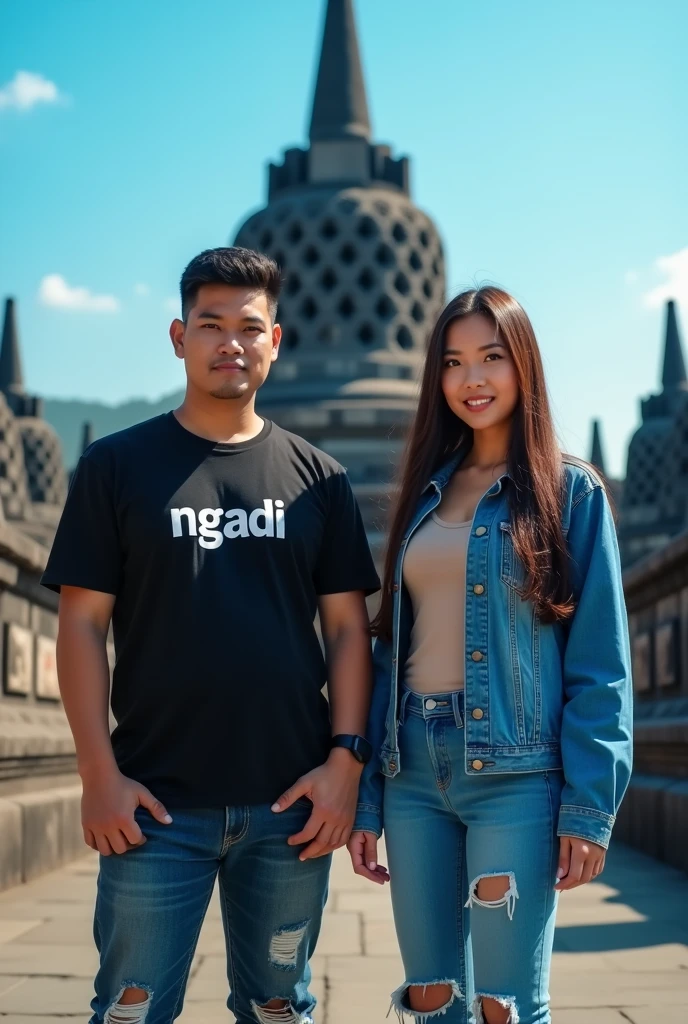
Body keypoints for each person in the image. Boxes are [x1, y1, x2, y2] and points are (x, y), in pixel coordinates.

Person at [42, 247, 380, 1024]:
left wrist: (345, 764)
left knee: (279, 1009)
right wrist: (98, 773)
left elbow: (348, 633)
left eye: (249, 327)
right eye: (210, 324)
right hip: (152, 803)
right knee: (130, 1008)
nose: (231, 342)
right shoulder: (115, 467)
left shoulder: (319, 480)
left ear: (276, 341)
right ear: (177, 336)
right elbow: (83, 625)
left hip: (291, 806)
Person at [347, 287, 633, 1024]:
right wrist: (369, 798)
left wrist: (589, 809)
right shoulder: (424, 497)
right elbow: (389, 652)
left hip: (516, 775)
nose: (472, 379)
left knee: (506, 1006)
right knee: (432, 999)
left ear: (523, 367)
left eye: (491, 358)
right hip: (412, 770)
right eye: (453, 362)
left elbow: (600, 662)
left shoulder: (569, 494)